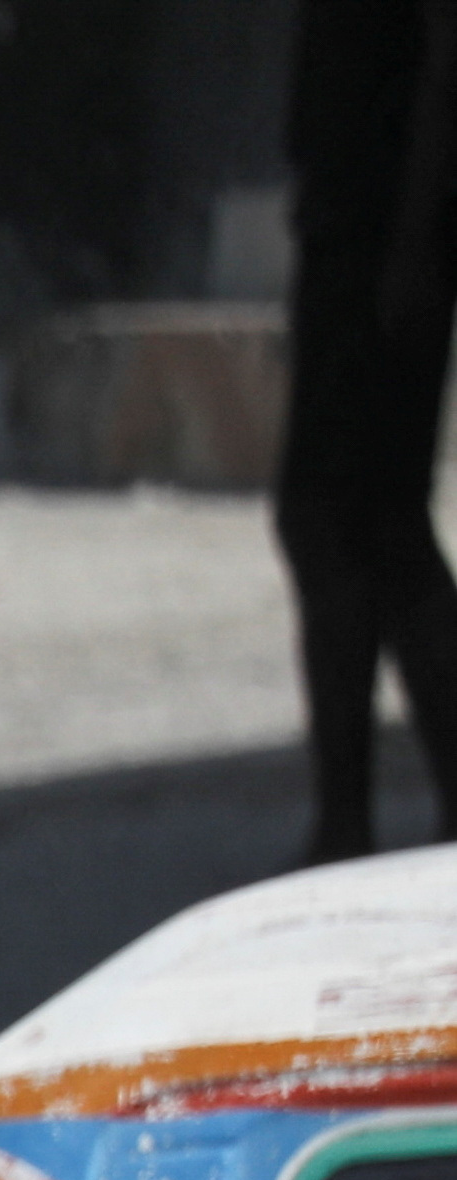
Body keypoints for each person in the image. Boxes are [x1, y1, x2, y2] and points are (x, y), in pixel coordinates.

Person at [278, 0, 457, 860]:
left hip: (379, 229)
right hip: (353, 216)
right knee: (355, 521)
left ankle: (346, 818)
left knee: (358, 516)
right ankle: (344, 812)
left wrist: (415, 243)